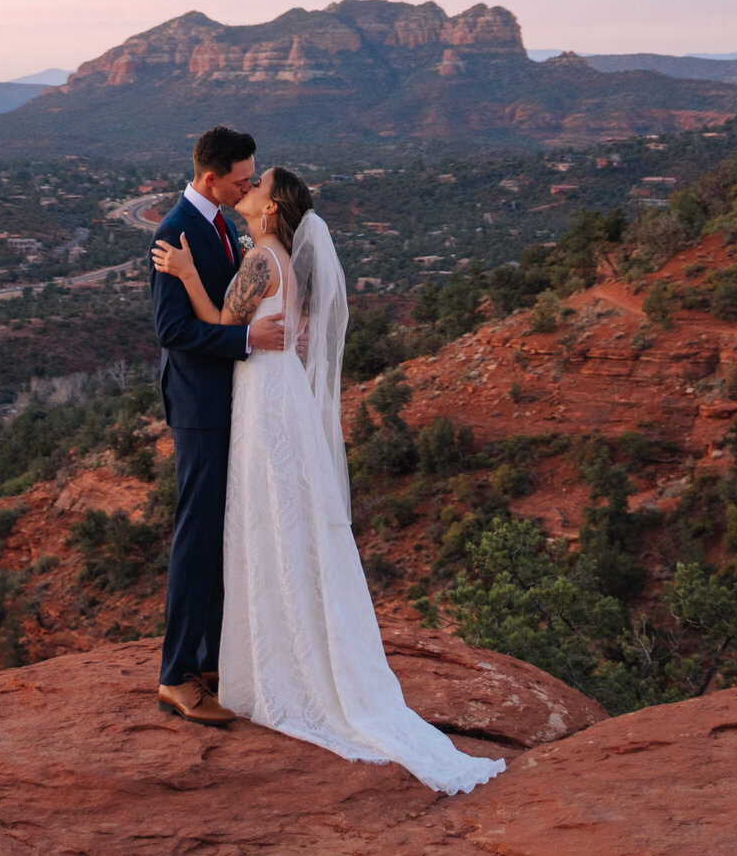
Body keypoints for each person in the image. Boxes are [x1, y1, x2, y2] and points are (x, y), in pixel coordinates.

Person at [152, 159, 505, 796]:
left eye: (258, 187)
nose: (249, 189)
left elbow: (222, 322)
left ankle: (276, 658)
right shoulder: (274, 257)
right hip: (273, 388)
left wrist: (183, 274)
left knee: (268, 511)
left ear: (272, 210)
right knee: (281, 511)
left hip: (263, 393)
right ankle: (279, 646)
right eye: (246, 179)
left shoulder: (261, 259)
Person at [148, 125, 287, 725]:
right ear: (211, 178)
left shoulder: (224, 226)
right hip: (200, 407)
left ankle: (207, 661)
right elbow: (171, 332)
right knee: (195, 537)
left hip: (229, 402)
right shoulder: (172, 232)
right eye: (240, 179)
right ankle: (175, 675)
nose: (249, 186)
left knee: (219, 536)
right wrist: (245, 340)